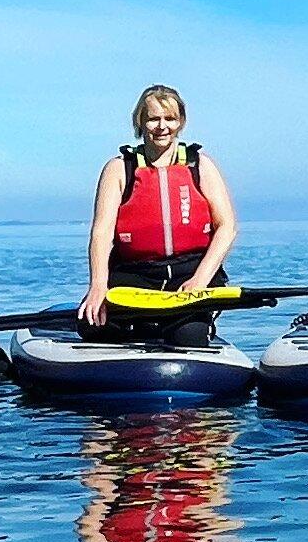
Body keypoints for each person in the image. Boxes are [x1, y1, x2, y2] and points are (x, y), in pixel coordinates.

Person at [78, 84, 241, 346]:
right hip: (135, 274)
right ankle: (145, 324)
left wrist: (200, 279)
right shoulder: (119, 169)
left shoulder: (200, 165)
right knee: (93, 327)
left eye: (170, 119)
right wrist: (98, 285)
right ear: (140, 122)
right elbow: (101, 233)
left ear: (181, 122)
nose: (162, 126)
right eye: (153, 119)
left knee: (188, 338)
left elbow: (227, 226)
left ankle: (192, 324)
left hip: (189, 271)